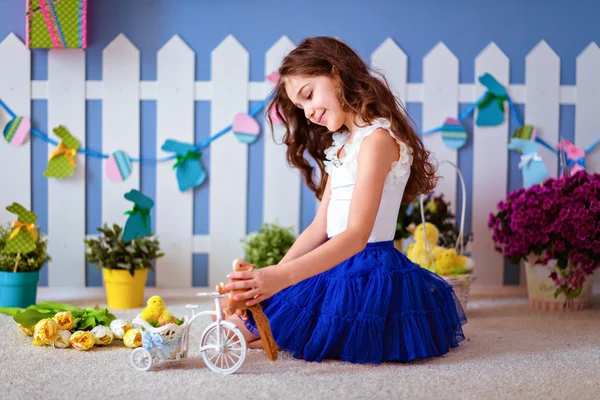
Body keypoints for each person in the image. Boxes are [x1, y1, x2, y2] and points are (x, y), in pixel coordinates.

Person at [220, 36, 467, 364]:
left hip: (368, 267)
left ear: (337, 73)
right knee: (248, 318)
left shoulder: (378, 139)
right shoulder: (343, 146)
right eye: (300, 107)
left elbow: (355, 236)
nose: (308, 112)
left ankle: (271, 326)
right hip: (334, 258)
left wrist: (280, 279)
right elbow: (319, 227)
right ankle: (266, 320)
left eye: (308, 95)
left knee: (306, 325)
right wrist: (273, 278)